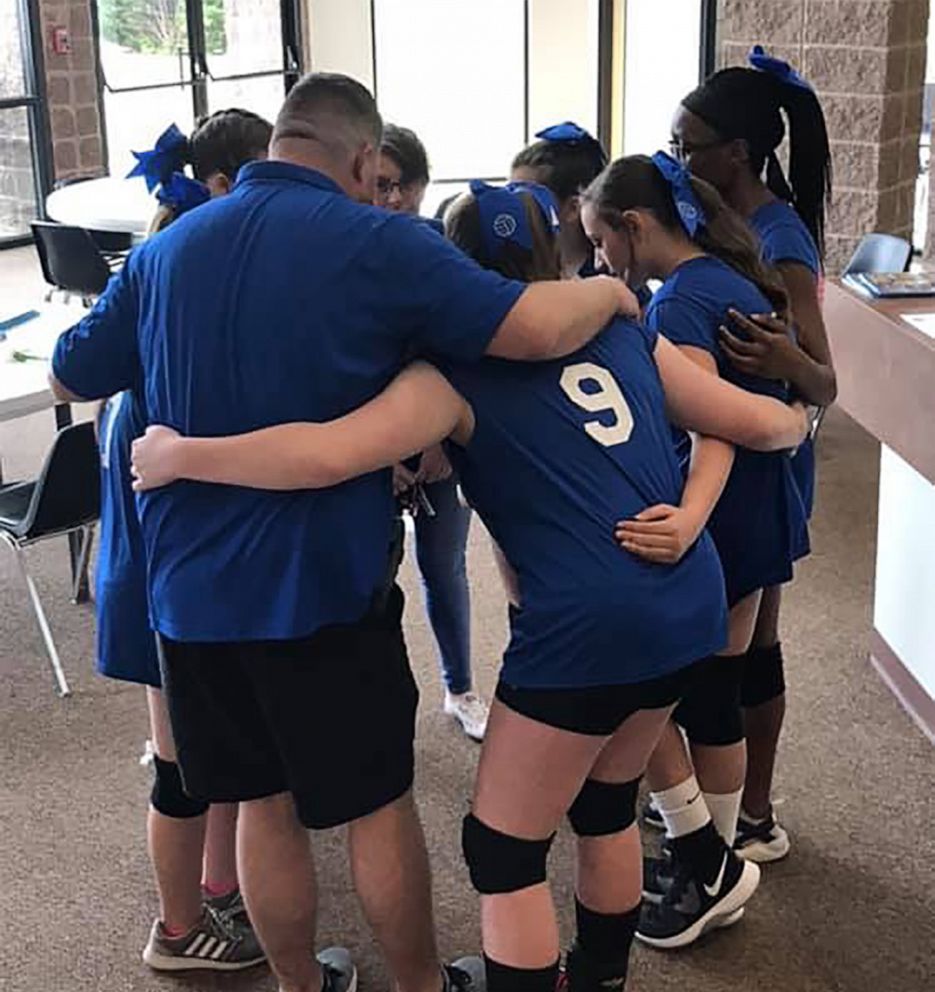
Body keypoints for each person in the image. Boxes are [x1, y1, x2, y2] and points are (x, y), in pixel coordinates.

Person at [128, 180, 807, 992]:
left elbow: (321, 455)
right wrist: (718, 488)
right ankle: (596, 979)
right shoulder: (627, 328)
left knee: (505, 850)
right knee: (604, 805)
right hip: (685, 599)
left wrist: (181, 456)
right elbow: (759, 424)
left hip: (582, 626)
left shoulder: (449, 375)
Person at [50, 72, 640, 992]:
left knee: (261, 804)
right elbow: (523, 326)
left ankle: (300, 985)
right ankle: (412, 985)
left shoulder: (166, 250)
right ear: (365, 160)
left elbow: (73, 371)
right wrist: (608, 297)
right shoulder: (379, 240)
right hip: (323, 585)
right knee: (375, 805)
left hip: (192, 597)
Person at [581, 152, 809, 948]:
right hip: (760, 512)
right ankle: (708, 858)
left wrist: (684, 521)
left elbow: (713, 421)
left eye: (602, 242)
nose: (600, 261)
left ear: (635, 227)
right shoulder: (726, 276)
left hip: (717, 517)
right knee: (716, 691)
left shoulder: (677, 305)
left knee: (647, 696)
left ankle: (701, 858)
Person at [97, 110, 272, 972]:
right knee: (181, 761)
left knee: (210, 752)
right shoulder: (167, 301)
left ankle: (213, 893)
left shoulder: (170, 276)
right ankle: (178, 930)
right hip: (169, 580)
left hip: (178, 574)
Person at [671, 44, 836, 861]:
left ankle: (751, 813)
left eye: (686, 144)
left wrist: (786, 365)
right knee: (726, 641)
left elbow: (825, 380)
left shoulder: (780, 239)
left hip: (766, 464)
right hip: (724, 451)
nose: (676, 157)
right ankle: (728, 809)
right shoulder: (718, 220)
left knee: (748, 645)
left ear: (735, 153)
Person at [376, 123, 488, 741]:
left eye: (402, 186)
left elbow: (457, 355)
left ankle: (460, 688)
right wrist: (389, 452)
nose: (390, 199)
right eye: (379, 185)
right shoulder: (348, 261)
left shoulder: (439, 254)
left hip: (440, 443)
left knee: (444, 564)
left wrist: (440, 439)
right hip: (374, 446)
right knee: (370, 574)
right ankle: (376, 703)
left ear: (421, 188)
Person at [510, 121, 608, 277]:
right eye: (510, 194)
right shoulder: (511, 268)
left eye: (526, 200)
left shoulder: (615, 277)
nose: (511, 207)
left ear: (573, 208)